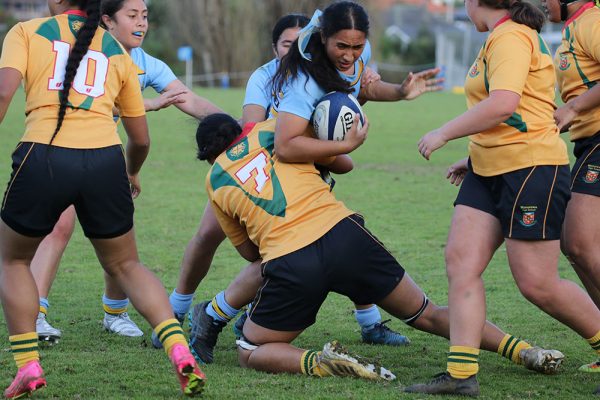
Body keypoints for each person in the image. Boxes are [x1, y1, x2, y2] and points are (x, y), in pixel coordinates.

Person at [193, 112, 564, 384]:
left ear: (209, 157)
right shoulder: (275, 128)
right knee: (427, 313)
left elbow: (249, 256)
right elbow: (342, 163)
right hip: (346, 236)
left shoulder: (215, 180)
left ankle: (320, 363)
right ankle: (523, 350)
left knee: (249, 349)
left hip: (292, 261)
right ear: (239, 129)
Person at [186, 1, 442, 364]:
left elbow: (363, 91)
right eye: (288, 44)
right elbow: (252, 132)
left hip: (307, 166)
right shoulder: (269, 78)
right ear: (279, 47)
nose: (350, 53)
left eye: (356, 47)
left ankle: (223, 314)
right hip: (264, 170)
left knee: (330, 238)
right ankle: (208, 313)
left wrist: (398, 92)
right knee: (279, 250)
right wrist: (334, 147)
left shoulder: (342, 58)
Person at [0, 0, 204, 397]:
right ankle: (180, 349)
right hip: (105, 161)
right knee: (127, 264)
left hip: (43, 154)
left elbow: (4, 93)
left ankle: (27, 365)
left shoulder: (26, 32)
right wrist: (131, 170)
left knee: (12, 259)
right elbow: (140, 138)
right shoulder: (117, 50)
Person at [404, 0, 600, 396]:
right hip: (488, 169)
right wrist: (475, 154)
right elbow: (520, 110)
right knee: (461, 261)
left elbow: (503, 104)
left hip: (530, 169)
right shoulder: (497, 37)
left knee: (537, 283)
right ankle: (461, 375)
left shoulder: (511, 36)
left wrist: (444, 133)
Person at [30, 0, 222, 342]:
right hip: (61, 146)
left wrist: (234, 126)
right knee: (59, 225)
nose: (142, 23)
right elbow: (97, 99)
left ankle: (115, 313)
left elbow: (187, 99)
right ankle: (35, 314)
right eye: (132, 16)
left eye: (145, 16)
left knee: (120, 231)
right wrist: (148, 105)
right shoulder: (88, 49)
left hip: (104, 155)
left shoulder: (146, 63)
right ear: (107, 20)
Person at [544, 0, 600, 381]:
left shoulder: (591, 22)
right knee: (575, 245)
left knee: (579, 242)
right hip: (587, 143)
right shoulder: (573, 27)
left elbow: (575, 103)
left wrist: (575, 107)